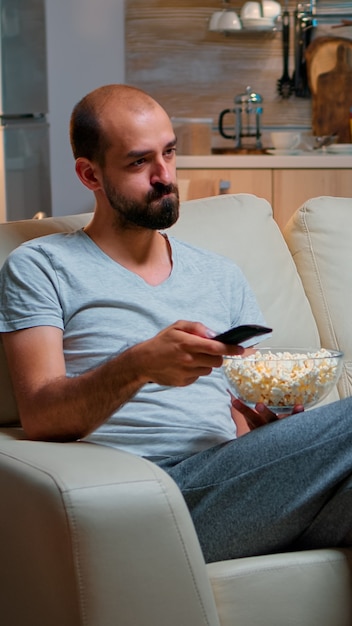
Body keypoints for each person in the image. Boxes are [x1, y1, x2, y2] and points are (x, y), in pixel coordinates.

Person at [1, 84, 352, 564]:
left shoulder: (221, 274)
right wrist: (140, 364)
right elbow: (40, 416)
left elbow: (241, 415)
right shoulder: (40, 266)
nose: (165, 176)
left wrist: (270, 420)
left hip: (237, 486)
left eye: (169, 153)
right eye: (139, 162)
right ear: (90, 174)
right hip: (146, 493)